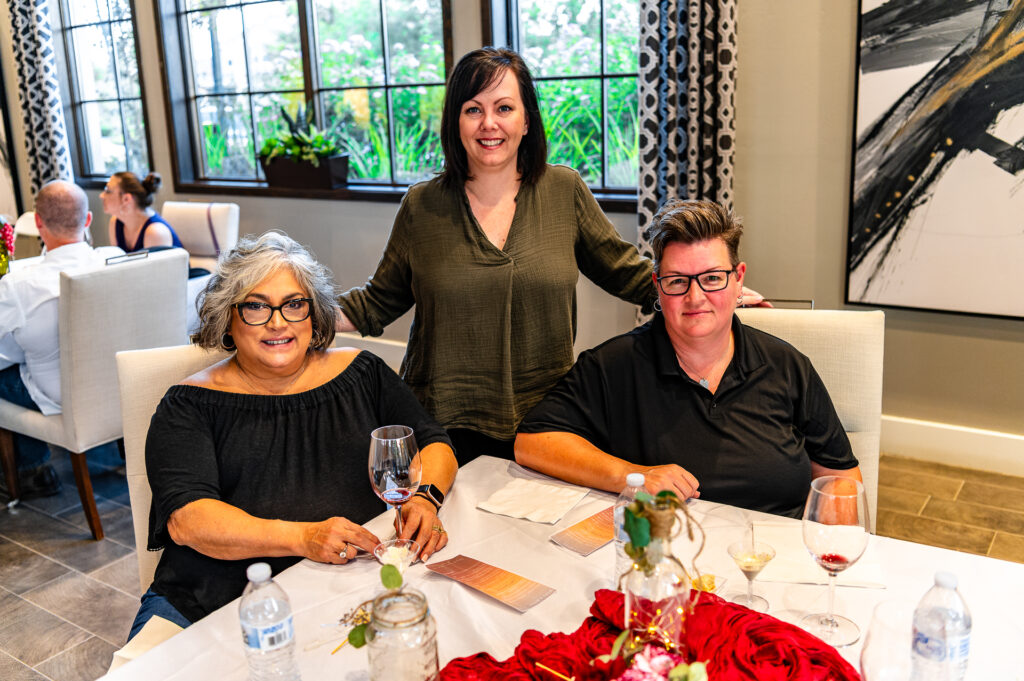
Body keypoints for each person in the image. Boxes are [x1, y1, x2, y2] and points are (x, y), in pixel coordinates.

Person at [337, 47, 766, 463]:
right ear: (456, 122)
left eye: (504, 108)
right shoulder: (422, 205)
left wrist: (714, 292)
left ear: (527, 121)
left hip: (547, 421)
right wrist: (298, 313)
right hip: (442, 422)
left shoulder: (565, 191)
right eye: (473, 109)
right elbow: (378, 301)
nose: (489, 123)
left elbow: (628, 273)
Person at [132, 231, 457, 638]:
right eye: (255, 306)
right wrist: (304, 536)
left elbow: (432, 441)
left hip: (343, 589)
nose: (277, 323)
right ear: (226, 319)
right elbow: (189, 521)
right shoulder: (188, 405)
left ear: (314, 313)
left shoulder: (362, 372)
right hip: (217, 601)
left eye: (293, 304)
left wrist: (427, 498)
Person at [515, 200, 861, 518]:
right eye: (678, 281)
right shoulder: (613, 365)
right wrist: (633, 477)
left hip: (770, 562)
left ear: (738, 279)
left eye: (712, 278)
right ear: (657, 285)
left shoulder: (787, 366)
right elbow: (532, 443)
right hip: (660, 560)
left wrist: (825, 565)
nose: (695, 297)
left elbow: (840, 476)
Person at [0, 180, 124, 497]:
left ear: (38, 222)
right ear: (87, 220)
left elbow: (7, 353)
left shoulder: (18, 285)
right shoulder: (115, 260)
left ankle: (34, 470)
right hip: (119, 384)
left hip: (61, 396)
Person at [103, 171, 183, 253]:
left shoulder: (155, 232)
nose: (102, 195)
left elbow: (158, 266)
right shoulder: (115, 222)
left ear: (126, 199)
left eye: (107, 191)